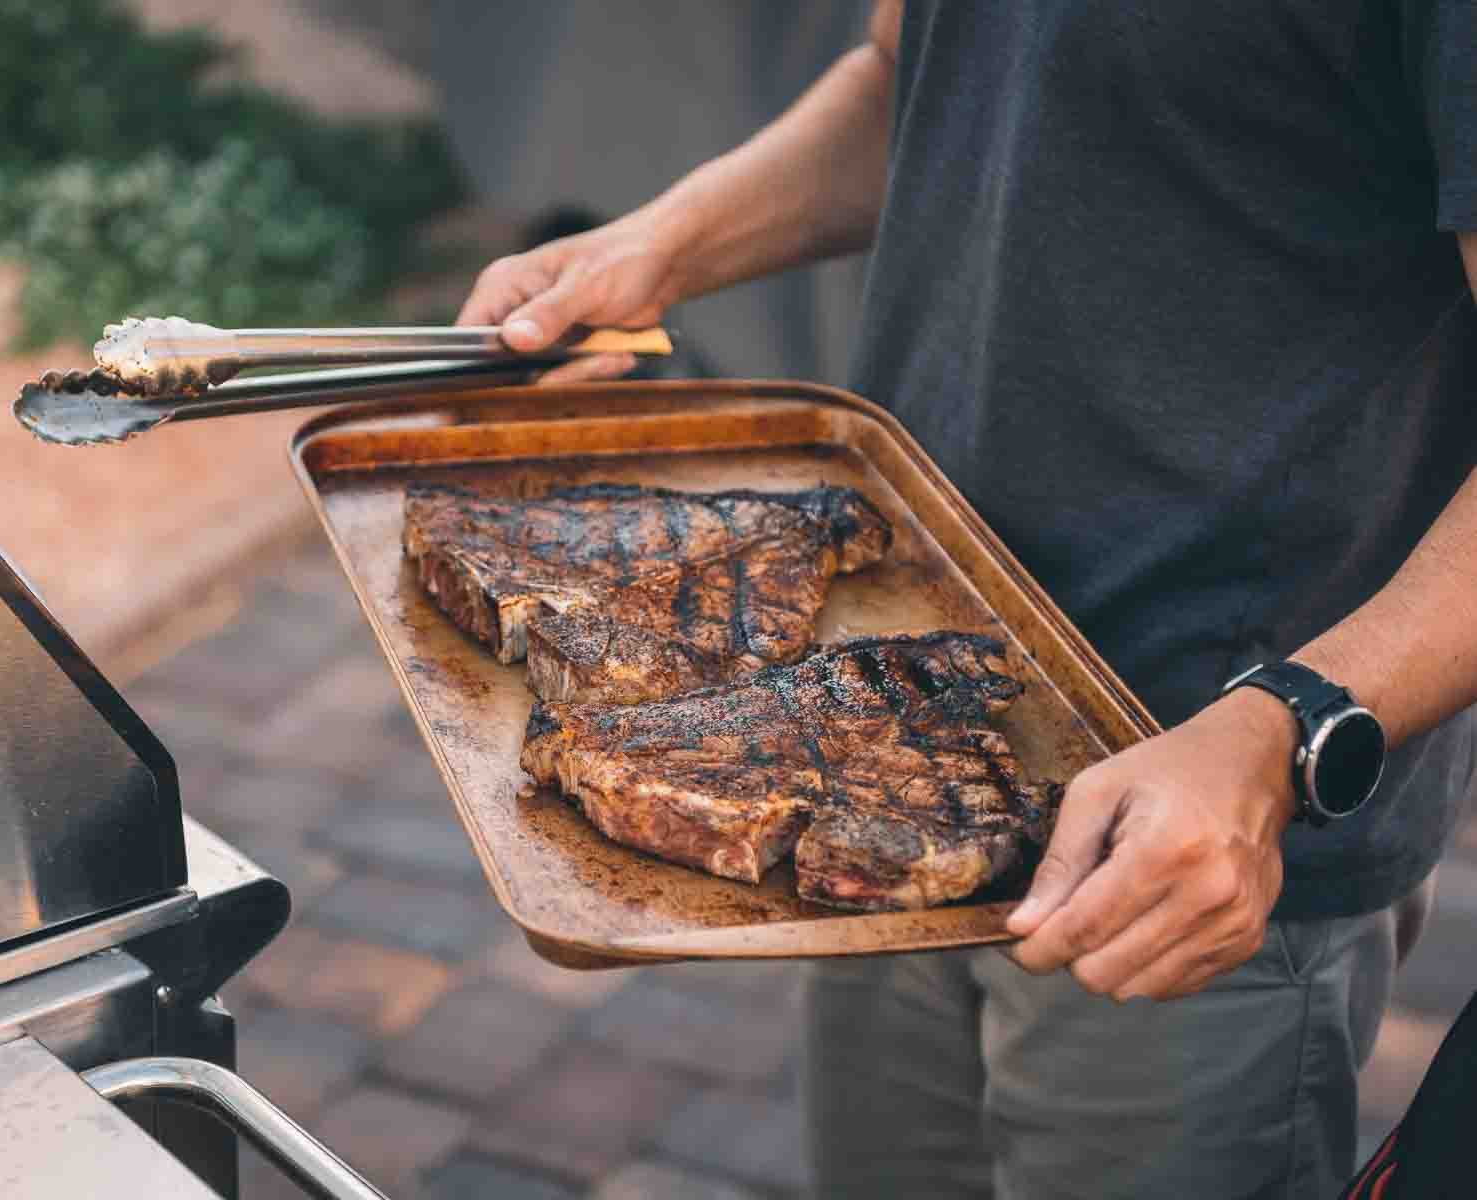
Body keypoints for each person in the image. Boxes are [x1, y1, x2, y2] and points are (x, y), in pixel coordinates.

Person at [455, 3, 1477, 1197]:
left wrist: (1281, 730)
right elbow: (919, 75)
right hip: (866, 705)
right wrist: (660, 248)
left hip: (1187, 830)